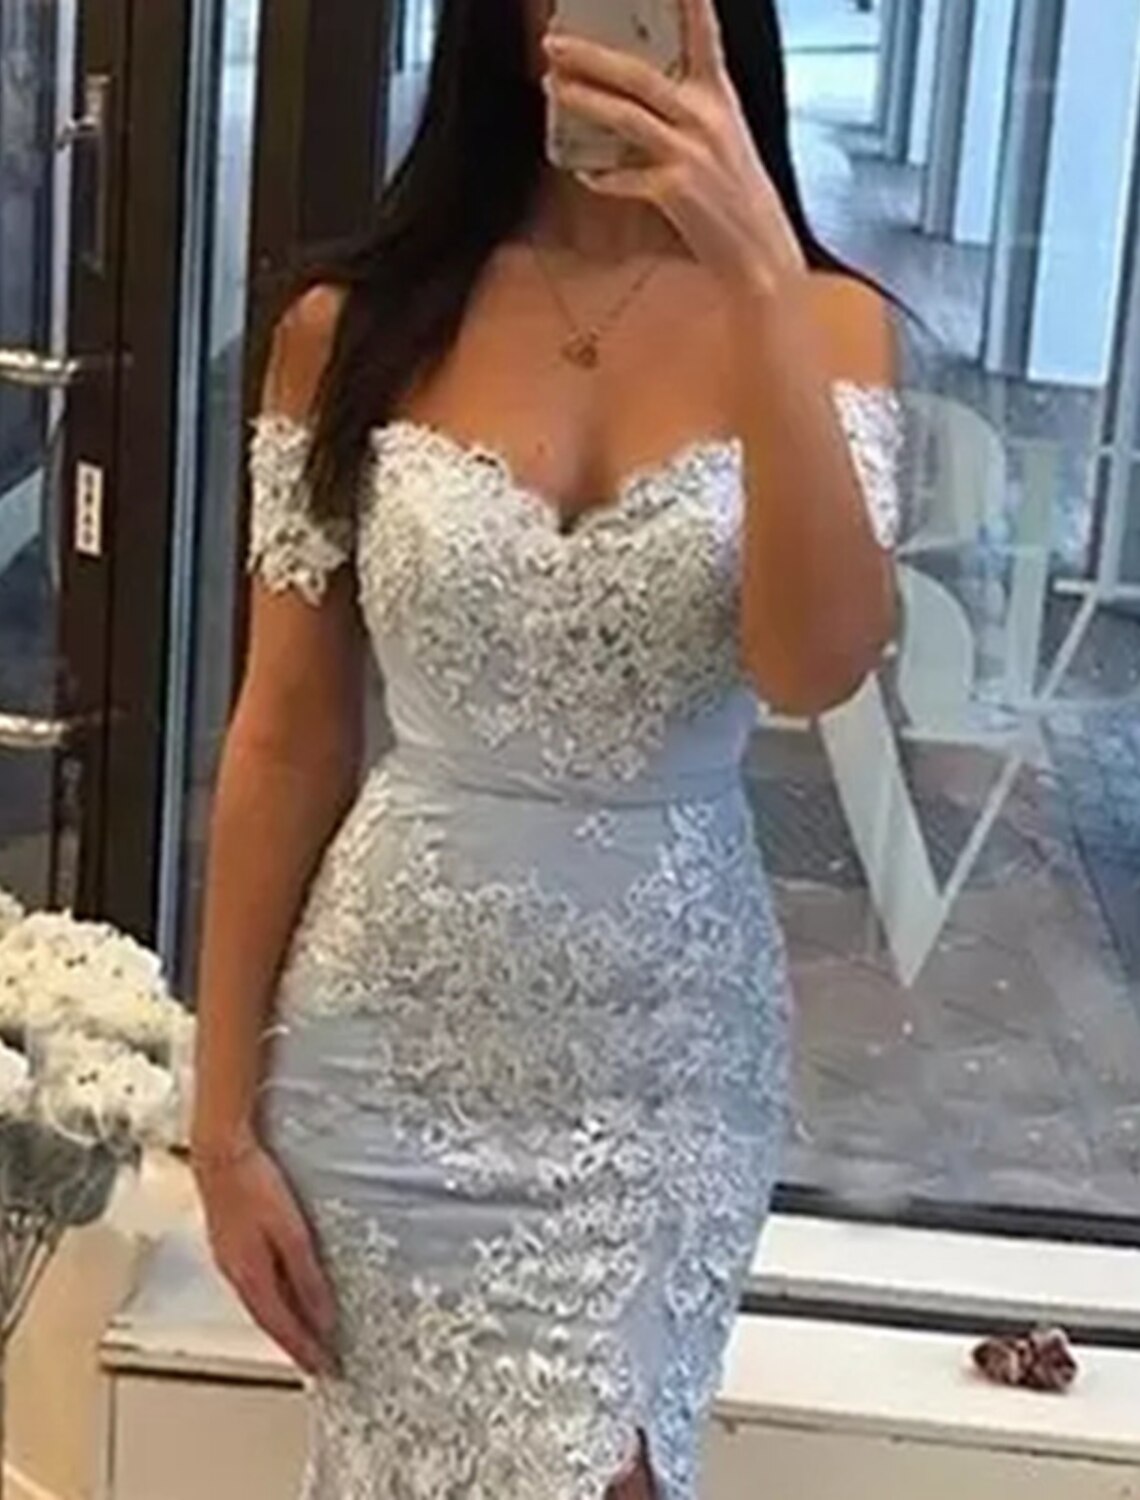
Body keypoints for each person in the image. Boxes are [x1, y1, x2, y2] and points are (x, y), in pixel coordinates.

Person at [191, 0, 902, 1495]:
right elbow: (287, 737)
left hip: (666, 1062)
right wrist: (220, 1123)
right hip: (383, 1048)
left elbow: (817, 662)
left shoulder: (824, 324)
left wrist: (759, 280)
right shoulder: (352, 328)